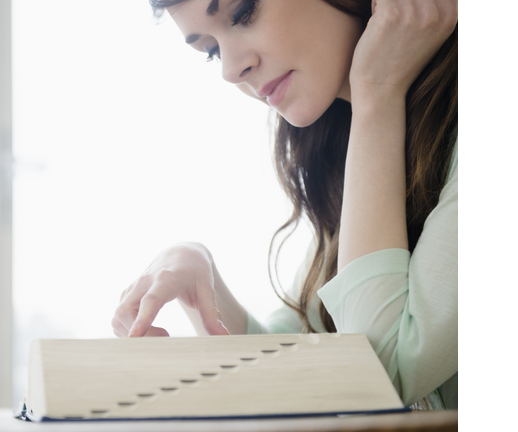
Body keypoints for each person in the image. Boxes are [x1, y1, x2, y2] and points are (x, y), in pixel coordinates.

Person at [111, 0, 458, 410]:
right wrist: (195, 270)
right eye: (211, 50)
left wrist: (377, 96)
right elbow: (291, 361)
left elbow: (375, 377)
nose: (229, 69)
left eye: (243, 13)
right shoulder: (357, 146)